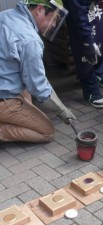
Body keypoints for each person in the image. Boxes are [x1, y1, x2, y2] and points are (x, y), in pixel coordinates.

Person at [0, 0, 76, 142]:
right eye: (53, 19)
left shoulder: (7, 15)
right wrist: (61, 110)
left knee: (27, 88)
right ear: (40, 9)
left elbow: (32, 77)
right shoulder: (30, 39)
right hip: (3, 97)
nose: (53, 25)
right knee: (47, 132)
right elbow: (38, 86)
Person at [62, 0, 103, 109]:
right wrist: (88, 41)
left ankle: (99, 73)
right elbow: (78, 13)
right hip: (78, 7)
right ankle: (90, 88)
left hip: (95, 6)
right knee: (84, 46)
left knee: (99, 38)